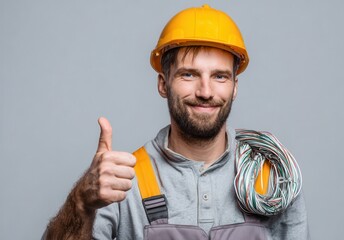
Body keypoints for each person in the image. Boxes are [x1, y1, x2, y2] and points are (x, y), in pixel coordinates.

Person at [43, 4, 309, 240]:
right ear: (163, 84)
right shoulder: (121, 183)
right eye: (189, 75)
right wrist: (80, 203)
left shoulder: (274, 180)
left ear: (235, 87)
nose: (205, 91)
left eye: (219, 77)